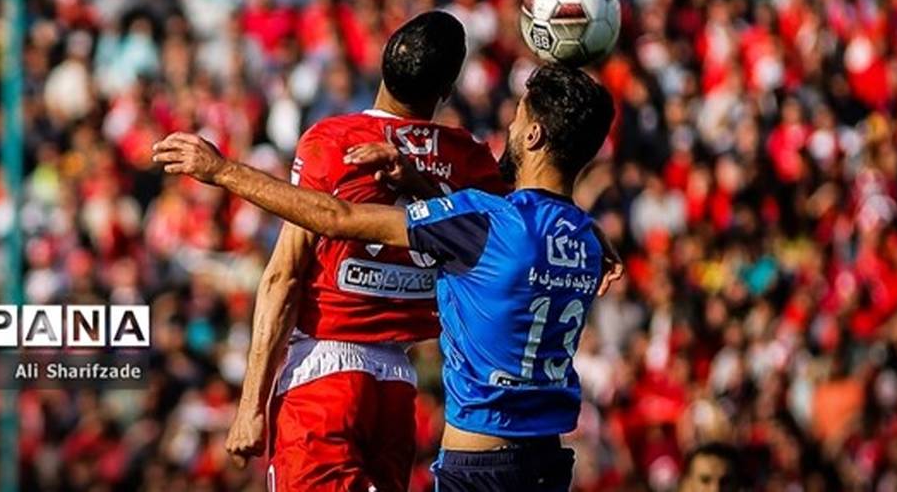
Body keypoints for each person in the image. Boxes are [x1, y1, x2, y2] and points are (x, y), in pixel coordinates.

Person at [154, 63, 619, 491]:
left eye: (517, 120)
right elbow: (504, 235)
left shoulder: (490, 222)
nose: (510, 129)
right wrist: (415, 183)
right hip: (547, 462)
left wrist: (223, 171)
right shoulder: (587, 240)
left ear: (534, 135)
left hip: (479, 467)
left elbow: (334, 217)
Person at [222, 11, 508, 491]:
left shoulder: (333, 142)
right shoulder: (470, 160)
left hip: (323, 377)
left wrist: (251, 405)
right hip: (396, 387)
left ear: (382, 64)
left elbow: (283, 276)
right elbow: (504, 237)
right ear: (446, 89)